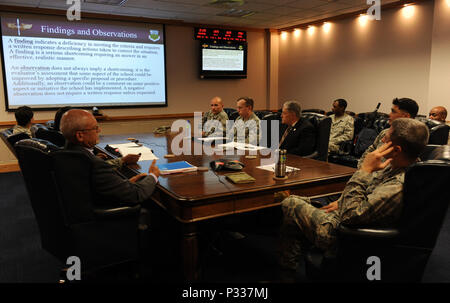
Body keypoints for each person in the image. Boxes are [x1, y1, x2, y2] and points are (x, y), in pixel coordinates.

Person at [279, 118, 429, 277]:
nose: (382, 139)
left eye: (386, 137)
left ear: (397, 149)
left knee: (290, 202)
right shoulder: (398, 165)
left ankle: (289, 269)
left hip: (347, 234)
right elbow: (368, 191)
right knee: (300, 202)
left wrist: (365, 170)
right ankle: (289, 268)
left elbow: (350, 216)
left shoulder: (398, 186)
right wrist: (341, 200)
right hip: (350, 216)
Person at [60, 109, 160, 207]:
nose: (99, 130)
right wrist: (153, 176)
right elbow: (135, 195)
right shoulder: (95, 164)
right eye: (95, 128)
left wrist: (125, 184)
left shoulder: (66, 155)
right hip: (108, 218)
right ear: (80, 136)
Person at [357, 97, 419, 168]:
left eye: (393, 111)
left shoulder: (414, 138)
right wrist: (363, 169)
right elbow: (370, 151)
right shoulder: (385, 132)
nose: (389, 114)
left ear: (405, 116)